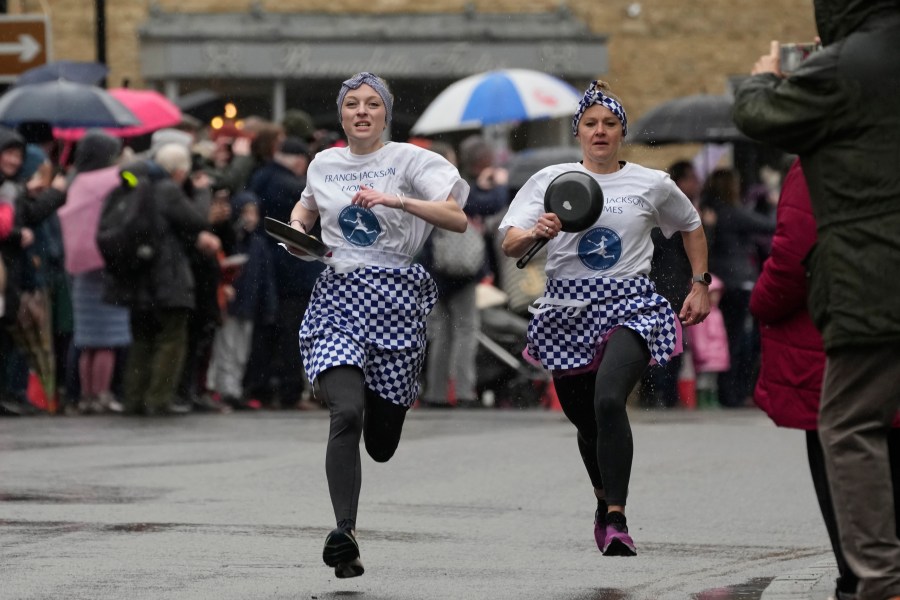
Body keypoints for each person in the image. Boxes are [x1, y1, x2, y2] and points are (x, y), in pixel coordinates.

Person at [498, 80, 710, 556]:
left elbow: (692, 226)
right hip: (567, 309)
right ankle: (601, 500)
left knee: (609, 400)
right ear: (579, 132)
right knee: (586, 419)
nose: (600, 132)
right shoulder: (549, 181)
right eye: (591, 124)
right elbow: (511, 243)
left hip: (630, 303)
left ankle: (617, 517)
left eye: (609, 124)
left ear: (621, 132)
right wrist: (538, 229)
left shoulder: (651, 183)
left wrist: (701, 283)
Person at [732, 3, 900, 597]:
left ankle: (877, 581)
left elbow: (758, 114)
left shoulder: (851, 71)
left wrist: (767, 76)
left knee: (849, 428)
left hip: (868, 289)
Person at [287, 72, 469, 578]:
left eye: (372, 104)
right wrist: (297, 229)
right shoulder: (324, 161)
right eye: (352, 104)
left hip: (396, 299)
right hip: (338, 295)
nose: (361, 112)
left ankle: (388, 409)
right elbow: (307, 202)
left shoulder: (411, 160)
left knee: (381, 443)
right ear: (341, 114)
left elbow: (455, 218)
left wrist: (398, 200)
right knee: (344, 412)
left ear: (386, 113)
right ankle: (344, 534)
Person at [750, 159, 900, 600]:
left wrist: (761, 301)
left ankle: (864, 581)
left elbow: (795, 254)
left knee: (843, 443)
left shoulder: (819, 158)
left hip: (833, 332)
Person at [104, 143, 221, 416]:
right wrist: (203, 191)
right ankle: (158, 399)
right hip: (167, 278)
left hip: (139, 276)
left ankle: (133, 399)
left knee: (142, 339)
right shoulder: (167, 189)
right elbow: (198, 219)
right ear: (179, 172)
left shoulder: (138, 188)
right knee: (171, 339)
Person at [420, 136, 507, 408]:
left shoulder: (420, 185)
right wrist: (499, 186)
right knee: (466, 329)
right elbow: (485, 205)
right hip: (458, 270)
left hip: (434, 269)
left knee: (442, 331)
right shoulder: (448, 185)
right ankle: (464, 391)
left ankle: (435, 393)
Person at [57, 131, 131, 415]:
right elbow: (135, 182)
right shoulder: (113, 178)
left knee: (88, 340)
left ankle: (87, 395)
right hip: (106, 264)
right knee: (108, 341)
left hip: (80, 266)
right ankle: (102, 394)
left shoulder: (76, 179)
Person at [699, 168, 774, 408]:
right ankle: (732, 393)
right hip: (739, 281)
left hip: (718, 282)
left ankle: (726, 391)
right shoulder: (734, 213)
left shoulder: (710, 213)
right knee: (737, 339)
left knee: (726, 338)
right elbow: (769, 226)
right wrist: (770, 204)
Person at [640, 160, 699, 408]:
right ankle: (656, 392)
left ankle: (667, 392)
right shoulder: (661, 211)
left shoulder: (691, 212)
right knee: (658, 337)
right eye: (691, 178)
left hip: (675, 283)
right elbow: (656, 246)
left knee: (674, 337)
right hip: (661, 283)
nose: (696, 183)